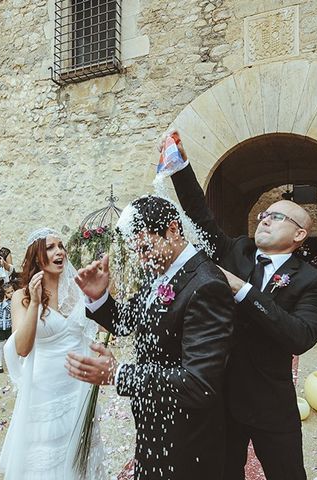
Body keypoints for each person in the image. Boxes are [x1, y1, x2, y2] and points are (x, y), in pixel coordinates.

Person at [169, 141, 317, 480]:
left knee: (286, 473)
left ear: (299, 234)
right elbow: (200, 216)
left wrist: (242, 290)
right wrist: (180, 169)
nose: (265, 221)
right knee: (225, 471)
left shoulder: (312, 281)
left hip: (269, 401)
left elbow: (299, 336)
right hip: (221, 397)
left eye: (277, 217)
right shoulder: (237, 250)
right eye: (264, 215)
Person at [67, 196, 235, 480]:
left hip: (187, 432)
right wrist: (99, 299)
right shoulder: (159, 269)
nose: (142, 258)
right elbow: (127, 322)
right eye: (137, 250)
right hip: (153, 419)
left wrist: (118, 374)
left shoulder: (207, 285)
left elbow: (198, 384)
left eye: (145, 247)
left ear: (173, 229)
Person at [0, 228, 103, 480]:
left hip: (79, 384)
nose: (60, 252)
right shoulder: (22, 297)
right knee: (48, 457)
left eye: (61, 246)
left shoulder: (79, 289)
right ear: (36, 257)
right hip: (45, 388)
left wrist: (101, 294)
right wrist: (35, 304)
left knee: (80, 452)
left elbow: (102, 328)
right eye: (51, 247)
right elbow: (22, 348)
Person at [0, 283, 14, 373]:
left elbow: (11, 310)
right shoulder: (0, 303)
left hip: (9, 327)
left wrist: (5, 303)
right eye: (9, 292)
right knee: (0, 346)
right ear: (4, 294)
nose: (11, 293)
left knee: (10, 346)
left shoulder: (12, 303)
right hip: (1, 327)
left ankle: (10, 364)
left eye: (12, 291)